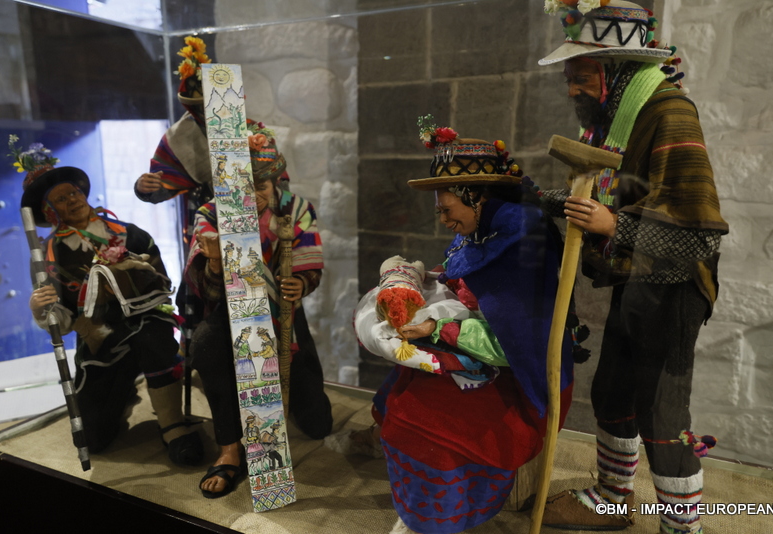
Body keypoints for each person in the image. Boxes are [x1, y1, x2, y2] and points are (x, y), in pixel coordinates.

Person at [536, 2, 729, 533]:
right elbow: (603, 193)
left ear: (617, 71)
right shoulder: (619, 120)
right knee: (613, 393)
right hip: (636, 279)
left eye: (581, 77)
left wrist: (612, 226)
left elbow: (698, 231)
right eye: (570, 78)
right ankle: (613, 499)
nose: (571, 90)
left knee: (663, 420)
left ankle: (681, 526)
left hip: (675, 286)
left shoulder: (669, 113)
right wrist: (538, 197)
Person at [359, 124, 575, 534]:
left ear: (476, 197)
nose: (442, 220)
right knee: (402, 394)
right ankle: (424, 515)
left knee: (428, 425)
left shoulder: (520, 243)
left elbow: (515, 340)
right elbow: (467, 285)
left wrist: (438, 329)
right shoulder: (479, 233)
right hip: (472, 350)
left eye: (446, 210)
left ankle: (440, 519)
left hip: (517, 372)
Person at [13, 137, 203, 466]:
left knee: (154, 339)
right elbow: (60, 317)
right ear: (49, 210)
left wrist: (132, 276)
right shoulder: (47, 256)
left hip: (145, 321)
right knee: (94, 439)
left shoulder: (129, 233)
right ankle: (121, 392)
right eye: (61, 199)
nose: (72, 200)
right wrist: (41, 309)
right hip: (98, 336)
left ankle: (174, 426)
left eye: (74, 192)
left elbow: (163, 283)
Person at [184, 133, 333, 499]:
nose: (253, 195)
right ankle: (230, 448)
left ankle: (293, 408)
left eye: (261, 185)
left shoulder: (294, 208)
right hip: (232, 311)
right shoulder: (210, 215)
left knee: (317, 421)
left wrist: (300, 281)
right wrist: (217, 260)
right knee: (207, 345)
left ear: (275, 181)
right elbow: (209, 292)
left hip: (283, 311)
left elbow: (308, 260)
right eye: (243, 186)